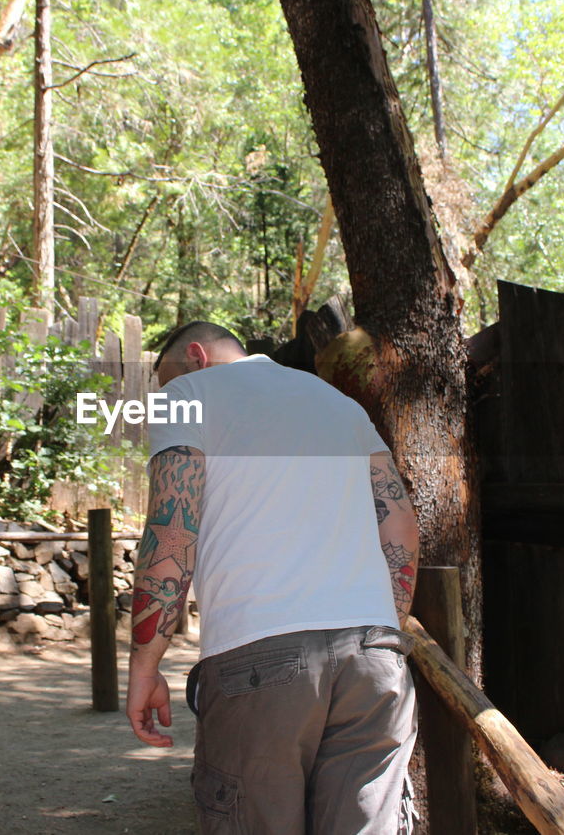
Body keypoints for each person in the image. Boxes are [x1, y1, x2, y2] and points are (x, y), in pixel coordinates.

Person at [125, 320, 421, 834]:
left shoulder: (186, 395)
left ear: (195, 355)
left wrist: (145, 664)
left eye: (167, 377)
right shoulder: (339, 404)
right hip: (374, 660)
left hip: (257, 655)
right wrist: (384, 630)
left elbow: (172, 527)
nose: (165, 391)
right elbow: (400, 525)